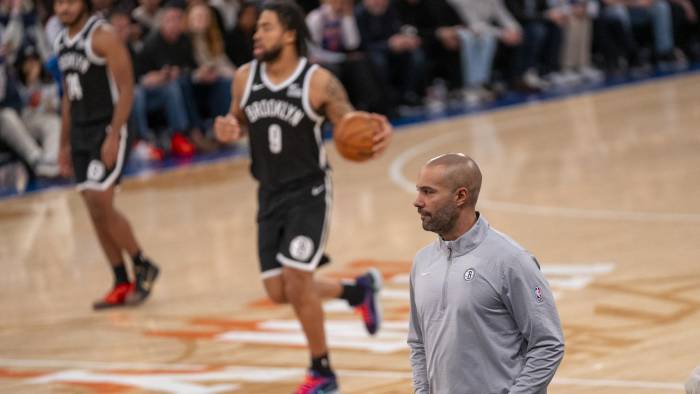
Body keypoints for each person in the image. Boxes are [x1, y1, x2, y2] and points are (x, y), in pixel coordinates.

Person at [213, 1, 392, 392]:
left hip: (309, 191)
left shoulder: (318, 81)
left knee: (297, 281)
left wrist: (372, 131)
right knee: (279, 292)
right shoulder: (244, 78)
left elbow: (348, 123)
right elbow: (238, 120)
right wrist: (228, 128)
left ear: (290, 33)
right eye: (257, 29)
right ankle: (357, 290)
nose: (257, 35)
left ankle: (322, 371)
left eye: (266, 28)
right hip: (268, 193)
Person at [408, 153, 564, 393]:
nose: (417, 201)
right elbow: (419, 344)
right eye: (419, 191)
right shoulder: (422, 262)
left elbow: (548, 343)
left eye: (428, 192)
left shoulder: (511, 260)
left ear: (460, 196)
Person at [54, 0, 159, 309]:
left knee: (101, 200)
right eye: (59, 2)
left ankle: (142, 263)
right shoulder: (61, 41)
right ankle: (120, 279)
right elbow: (68, 97)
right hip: (79, 132)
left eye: (70, 2)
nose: (64, 8)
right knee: (94, 209)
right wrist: (63, 144)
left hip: (107, 127)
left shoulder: (103, 36)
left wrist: (114, 135)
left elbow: (127, 88)